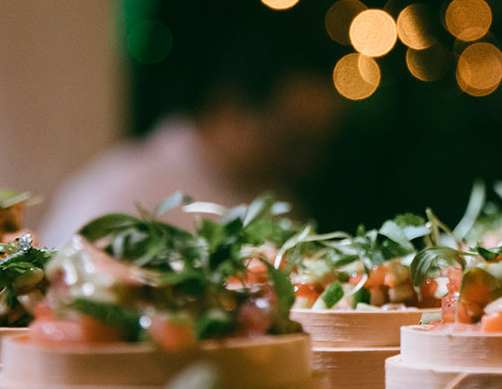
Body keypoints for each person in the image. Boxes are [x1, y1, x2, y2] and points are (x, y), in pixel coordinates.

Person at [41, 19, 342, 240]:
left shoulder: (281, 204)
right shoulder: (123, 191)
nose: (306, 162)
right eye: (291, 141)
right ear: (232, 109)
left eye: (317, 144)